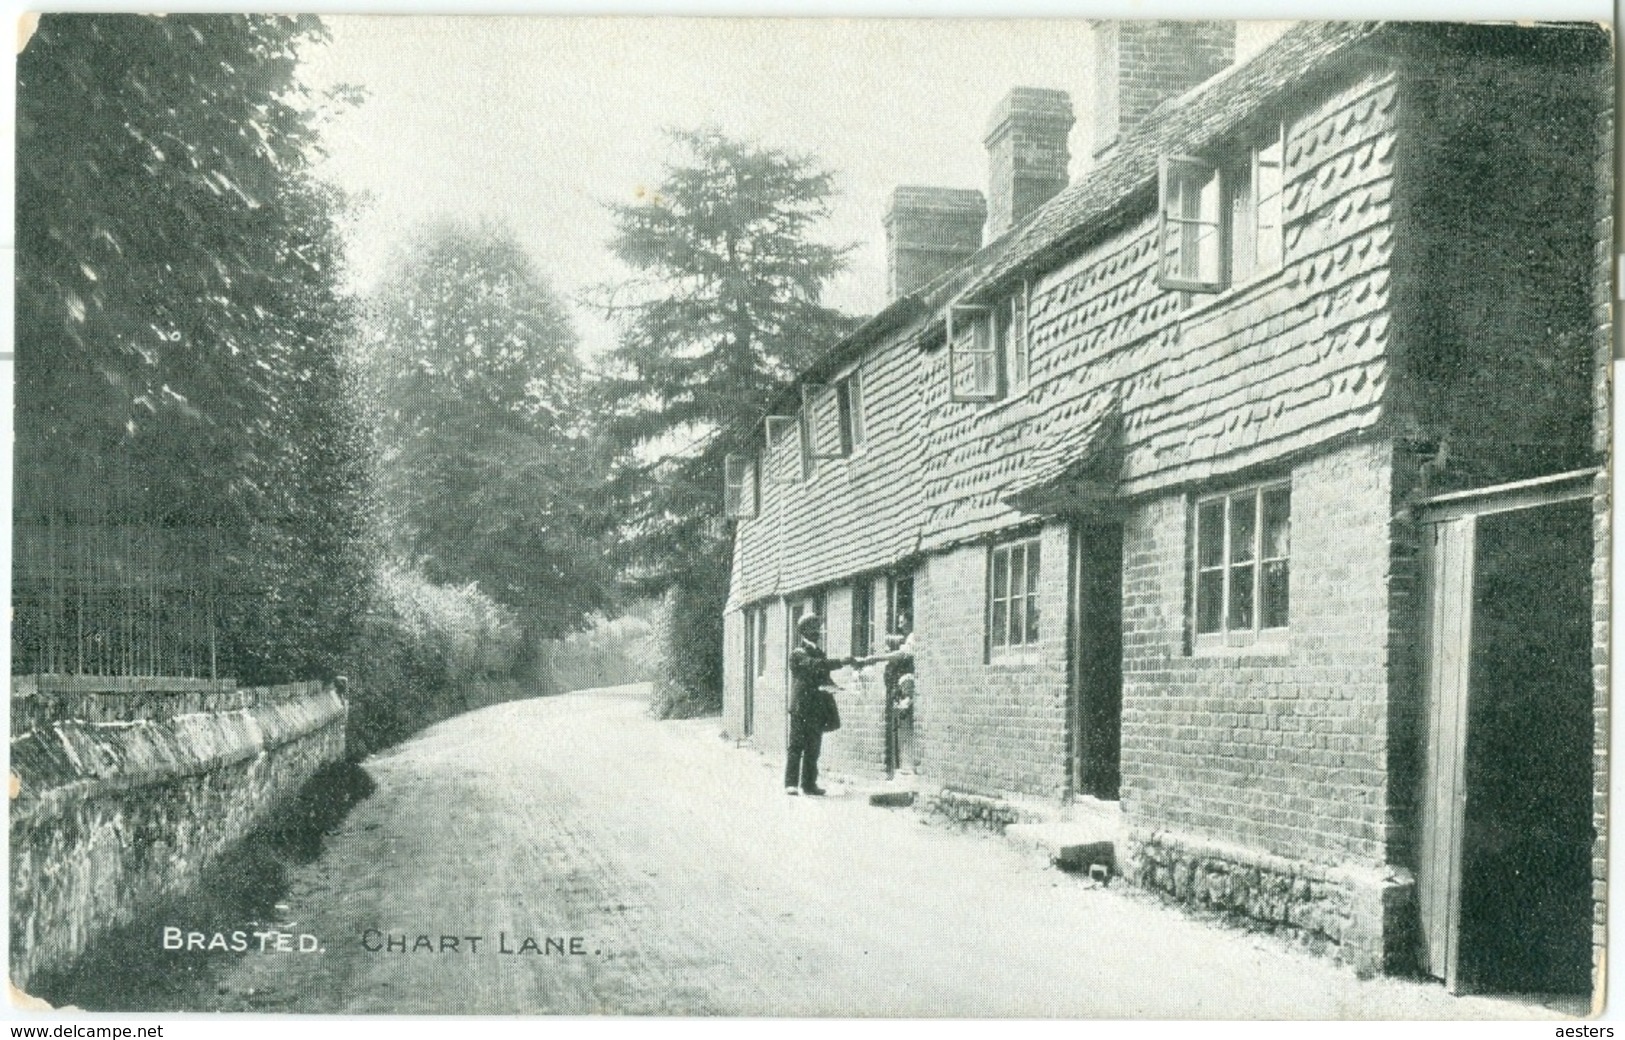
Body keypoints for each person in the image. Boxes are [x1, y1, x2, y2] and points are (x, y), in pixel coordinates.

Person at [785, 613, 866, 796]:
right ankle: (791, 784)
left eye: (818, 628)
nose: (817, 632)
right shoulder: (798, 653)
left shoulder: (819, 653)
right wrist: (842, 662)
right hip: (800, 707)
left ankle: (808, 784)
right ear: (804, 631)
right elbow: (814, 666)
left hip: (816, 708)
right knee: (797, 745)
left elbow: (824, 677)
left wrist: (837, 688)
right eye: (813, 628)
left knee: (814, 747)